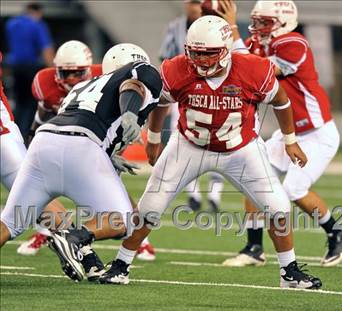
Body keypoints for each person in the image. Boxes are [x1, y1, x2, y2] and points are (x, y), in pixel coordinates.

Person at [99, 16, 322, 289]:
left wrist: (290, 140)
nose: (201, 60)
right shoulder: (176, 68)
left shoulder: (254, 68)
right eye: (196, 53)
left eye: (209, 53)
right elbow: (161, 102)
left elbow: (281, 100)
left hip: (240, 148)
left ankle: (289, 273)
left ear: (227, 49)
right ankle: (121, 265)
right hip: (189, 145)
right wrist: (155, 138)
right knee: (149, 208)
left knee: (278, 207)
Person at [0, 43, 163, 283]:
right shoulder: (140, 71)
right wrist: (129, 113)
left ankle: (74, 240)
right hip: (82, 147)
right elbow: (132, 85)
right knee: (124, 221)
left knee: (8, 225)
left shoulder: (83, 86)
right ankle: (73, 237)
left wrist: (107, 155)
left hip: (44, 143)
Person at [218, 0, 342, 268]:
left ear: (285, 22)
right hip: (289, 132)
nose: (257, 28)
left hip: (317, 133)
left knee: (293, 189)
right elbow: (239, 63)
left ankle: (336, 232)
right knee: (253, 176)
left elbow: (260, 70)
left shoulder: (294, 43)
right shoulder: (257, 43)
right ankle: (254, 247)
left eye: (265, 22)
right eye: (255, 21)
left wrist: (232, 28)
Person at [16, 40, 102, 256]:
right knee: (42, 184)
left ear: (89, 69)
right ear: (56, 72)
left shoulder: (103, 78)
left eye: (78, 73)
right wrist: (33, 133)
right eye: (66, 73)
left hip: (98, 140)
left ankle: (140, 239)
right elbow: (44, 109)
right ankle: (45, 230)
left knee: (108, 192)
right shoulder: (44, 82)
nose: (72, 80)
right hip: (62, 138)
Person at [158, 0, 226, 215]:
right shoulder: (175, 26)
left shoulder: (219, 26)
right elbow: (165, 58)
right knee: (183, 141)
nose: (193, 6)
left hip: (216, 92)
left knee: (221, 140)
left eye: (197, 2)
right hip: (185, 92)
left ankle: (215, 193)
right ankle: (194, 192)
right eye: (191, 2)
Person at [5, 2, 54, 137]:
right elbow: (46, 49)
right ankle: (26, 134)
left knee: (19, 102)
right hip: (31, 68)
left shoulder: (12, 24)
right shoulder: (38, 25)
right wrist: (53, 70)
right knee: (31, 104)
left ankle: (13, 132)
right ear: (37, 12)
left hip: (15, 67)